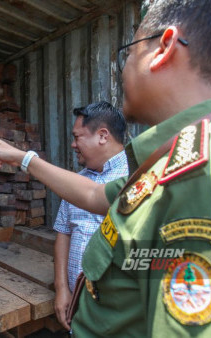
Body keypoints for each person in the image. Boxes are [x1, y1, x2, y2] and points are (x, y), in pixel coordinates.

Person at [0, 0, 211, 336]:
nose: (124, 67)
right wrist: (22, 158)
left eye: (129, 50)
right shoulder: (179, 161)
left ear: (165, 47)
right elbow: (96, 195)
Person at [53, 102, 128, 330]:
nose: (73, 144)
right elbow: (63, 233)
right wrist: (62, 289)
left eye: (78, 137)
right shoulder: (77, 181)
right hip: (76, 302)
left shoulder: (134, 178)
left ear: (103, 136)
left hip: (115, 310)